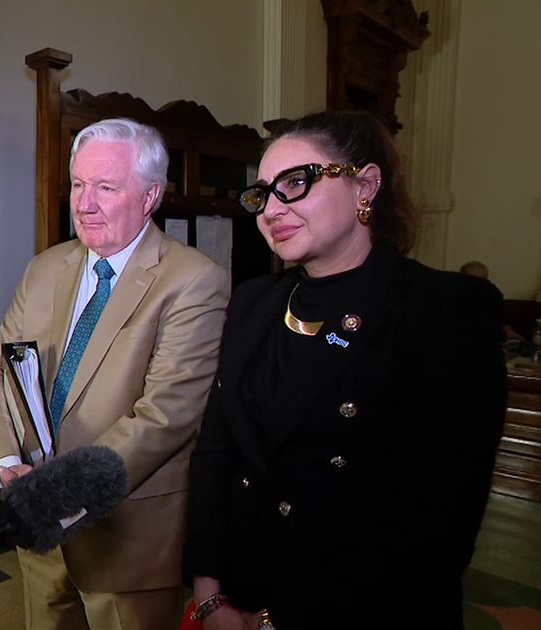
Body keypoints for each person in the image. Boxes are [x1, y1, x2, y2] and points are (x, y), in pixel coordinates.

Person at [182, 110, 507, 630]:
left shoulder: (445, 311)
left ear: (366, 186)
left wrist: (278, 620)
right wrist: (209, 592)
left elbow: (441, 521)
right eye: (262, 194)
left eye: (296, 182)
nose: (271, 209)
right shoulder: (252, 302)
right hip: (239, 595)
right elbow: (216, 454)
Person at [0, 118, 229, 630]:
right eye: (77, 184)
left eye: (106, 188)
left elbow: (165, 417)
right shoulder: (44, 268)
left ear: (150, 196)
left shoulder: (195, 280)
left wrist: (57, 492)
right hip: (39, 532)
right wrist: (5, 463)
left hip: (127, 537)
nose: (84, 204)